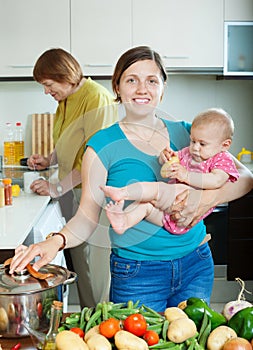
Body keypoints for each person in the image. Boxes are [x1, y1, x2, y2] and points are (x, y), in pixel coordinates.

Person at [10, 46, 253, 312]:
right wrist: (54, 241)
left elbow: (244, 177)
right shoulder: (101, 146)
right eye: (131, 80)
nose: (142, 89)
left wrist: (205, 198)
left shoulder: (188, 134)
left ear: (163, 88)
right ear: (117, 86)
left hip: (196, 262)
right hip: (138, 273)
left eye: (152, 81)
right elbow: (86, 217)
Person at [27, 48, 118, 308]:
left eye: (48, 84)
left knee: (95, 268)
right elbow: (68, 141)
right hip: (71, 191)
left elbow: (97, 158)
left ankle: (99, 323)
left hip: (91, 192)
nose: (46, 91)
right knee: (80, 263)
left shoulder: (96, 98)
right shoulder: (64, 101)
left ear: (64, 74)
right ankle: (88, 320)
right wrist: (49, 159)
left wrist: (56, 187)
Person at [100, 108, 239, 235]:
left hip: (187, 209)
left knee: (158, 188)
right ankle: (124, 221)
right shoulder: (188, 153)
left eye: (202, 144)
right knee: (145, 206)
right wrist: (164, 157)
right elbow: (168, 166)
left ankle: (123, 193)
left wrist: (186, 175)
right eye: (192, 141)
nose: (195, 148)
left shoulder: (221, 159)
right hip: (169, 215)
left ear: (225, 145)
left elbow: (217, 180)